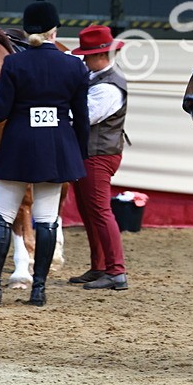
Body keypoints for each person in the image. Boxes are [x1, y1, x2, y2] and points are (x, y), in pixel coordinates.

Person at [0, 0, 90, 307]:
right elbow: (82, 118)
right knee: (47, 219)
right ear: (54, 30)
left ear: (25, 31)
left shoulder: (14, 63)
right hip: (57, 149)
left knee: (2, 216)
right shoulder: (75, 65)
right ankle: (38, 290)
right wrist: (78, 155)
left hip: (19, 148)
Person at [68, 25, 130, 289]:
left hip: (98, 155)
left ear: (99, 56)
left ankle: (116, 271)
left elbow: (83, 117)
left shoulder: (108, 87)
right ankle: (100, 266)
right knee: (91, 211)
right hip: (93, 153)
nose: (83, 60)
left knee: (100, 212)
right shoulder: (99, 80)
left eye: (86, 56)